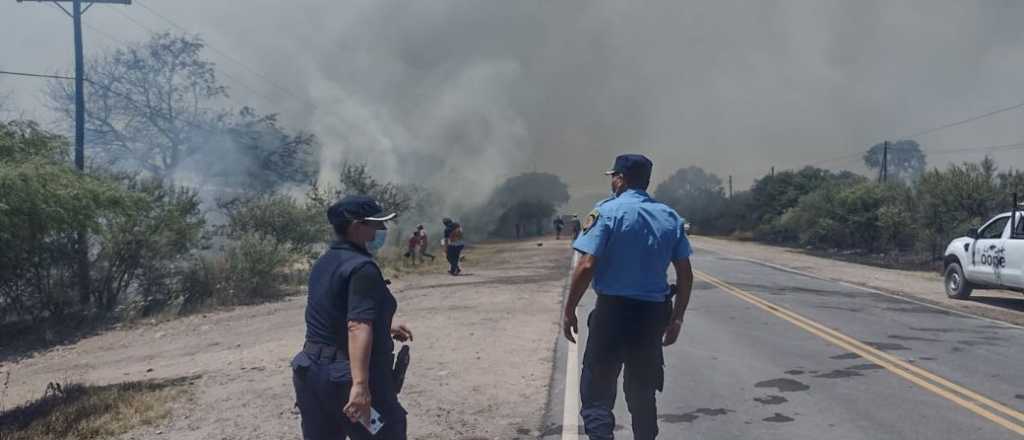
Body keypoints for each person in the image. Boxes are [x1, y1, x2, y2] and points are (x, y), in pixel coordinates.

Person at [562, 154, 694, 440]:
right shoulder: (669, 216)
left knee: (597, 393)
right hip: (651, 318)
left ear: (620, 178)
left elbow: (586, 265)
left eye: (613, 176)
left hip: (612, 314)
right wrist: (678, 318)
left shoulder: (607, 212)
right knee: (643, 393)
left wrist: (569, 308)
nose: (612, 181)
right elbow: (685, 274)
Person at [291, 195, 414, 440]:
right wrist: (360, 386)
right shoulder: (362, 268)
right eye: (376, 225)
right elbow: (357, 325)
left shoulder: (325, 262)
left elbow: (333, 313)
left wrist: (385, 326)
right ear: (356, 226)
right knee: (383, 432)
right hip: (345, 383)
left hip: (312, 377)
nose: (382, 230)